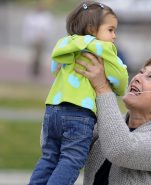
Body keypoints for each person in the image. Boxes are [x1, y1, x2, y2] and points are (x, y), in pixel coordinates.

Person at [28, 1, 128, 185]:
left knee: (49, 158)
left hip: (53, 110)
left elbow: (54, 68)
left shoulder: (66, 43)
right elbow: (121, 81)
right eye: (111, 30)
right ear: (91, 29)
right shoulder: (104, 49)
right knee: (71, 159)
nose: (114, 36)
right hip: (80, 113)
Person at [74, 53, 151, 184]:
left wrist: (103, 88)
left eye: (150, 77)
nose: (137, 78)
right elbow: (68, 142)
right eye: (141, 72)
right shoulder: (109, 125)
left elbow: (120, 149)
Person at [22, 2, 54, 77]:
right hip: (33, 39)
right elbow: (27, 28)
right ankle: (34, 69)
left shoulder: (47, 17)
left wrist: (45, 36)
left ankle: (37, 70)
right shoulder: (31, 16)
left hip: (41, 40)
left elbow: (49, 28)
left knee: (39, 56)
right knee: (34, 55)